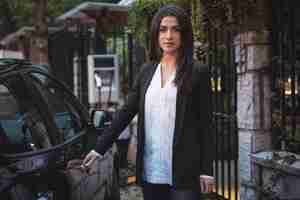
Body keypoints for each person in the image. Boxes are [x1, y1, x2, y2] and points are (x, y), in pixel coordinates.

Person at [82, 4, 215, 200]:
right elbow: (126, 112)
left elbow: (206, 124)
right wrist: (99, 148)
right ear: (156, 34)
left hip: (185, 171)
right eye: (163, 29)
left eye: (175, 29)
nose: (168, 36)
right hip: (152, 170)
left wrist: (206, 170)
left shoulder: (197, 72)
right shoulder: (147, 71)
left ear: (184, 34)